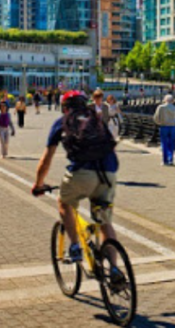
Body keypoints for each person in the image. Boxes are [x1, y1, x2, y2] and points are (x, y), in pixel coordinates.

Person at [32, 91, 121, 277]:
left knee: (64, 203)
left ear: (65, 107)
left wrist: (38, 184)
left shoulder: (62, 122)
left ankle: (74, 246)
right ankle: (114, 268)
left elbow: (46, 159)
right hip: (108, 172)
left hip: (82, 173)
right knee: (104, 222)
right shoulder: (97, 120)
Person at [153, 95, 175, 166]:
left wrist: (159, 123)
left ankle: (165, 160)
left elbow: (156, 117)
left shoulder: (161, 107)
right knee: (171, 144)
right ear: (173, 100)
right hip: (172, 126)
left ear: (165, 100)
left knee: (164, 143)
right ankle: (171, 159)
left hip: (164, 126)